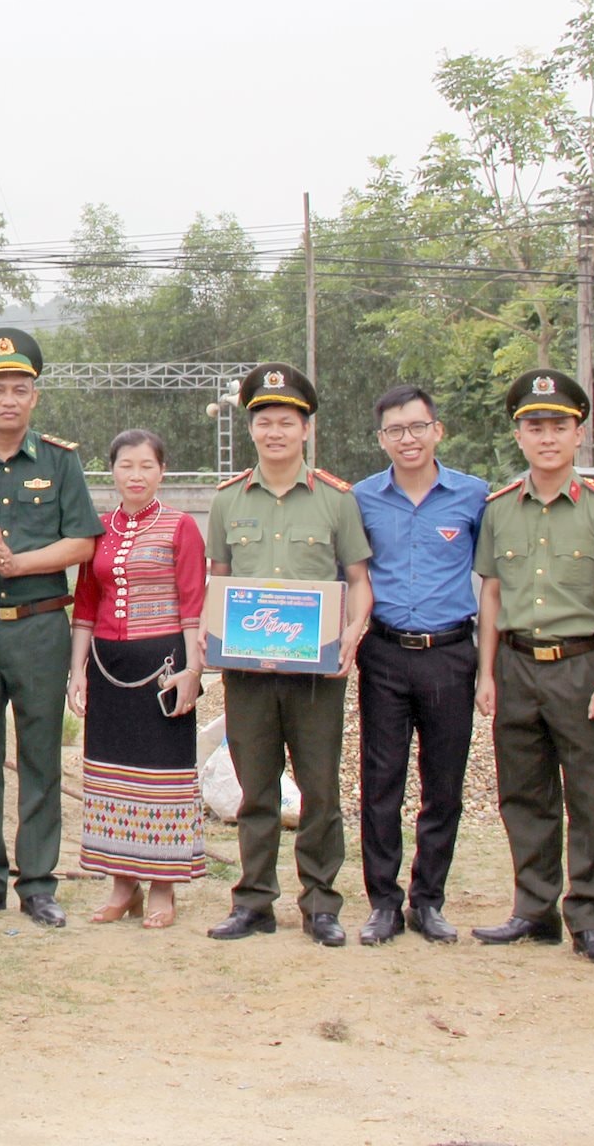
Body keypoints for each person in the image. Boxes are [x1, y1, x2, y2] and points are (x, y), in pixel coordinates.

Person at [204, 364, 373, 946]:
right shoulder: (228, 501)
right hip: (248, 671)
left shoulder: (336, 500)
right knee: (256, 789)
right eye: (264, 421)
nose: (275, 431)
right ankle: (253, 902)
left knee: (320, 789)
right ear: (251, 429)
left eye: (286, 421)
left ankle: (320, 904)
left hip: (316, 675)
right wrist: (211, 639)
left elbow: (358, 579)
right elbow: (218, 579)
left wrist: (353, 632)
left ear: (306, 430)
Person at [0, 329, 98, 928]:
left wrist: (21, 563)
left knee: (40, 755)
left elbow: (83, 540)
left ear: (34, 398)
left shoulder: (60, 461)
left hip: (38, 626)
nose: (8, 399)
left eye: (20, 389)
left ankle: (37, 884)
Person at [472, 367, 594, 966]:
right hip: (516, 663)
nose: (546, 438)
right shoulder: (500, 509)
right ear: (519, 436)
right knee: (525, 792)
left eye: (558, 426)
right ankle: (533, 908)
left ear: (578, 433)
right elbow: (490, 594)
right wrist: (486, 674)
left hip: (581, 664)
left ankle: (589, 917)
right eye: (534, 427)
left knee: (590, 795)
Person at [351, 384, 490, 946]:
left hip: (450, 654)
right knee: (381, 783)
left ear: (438, 430)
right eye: (395, 431)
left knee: (444, 785)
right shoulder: (360, 498)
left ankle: (428, 900)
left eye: (417, 427)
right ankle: (383, 902)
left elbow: (495, 580)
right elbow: (350, 577)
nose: (407, 439)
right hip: (383, 652)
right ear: (381, 439)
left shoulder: (474, 497)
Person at [67, 428, 205, 929]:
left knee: (161, 775)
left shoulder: (181, 526)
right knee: (111, 773)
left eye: (146, 466)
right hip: (107, 666)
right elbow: (85, 604)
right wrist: (76, 672)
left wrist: (192, 670)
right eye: (127, 465)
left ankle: (163, 887)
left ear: (162, 471)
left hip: (163, 665)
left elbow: (193, 602)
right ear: (113, 471)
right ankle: (121, 886)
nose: (136, 475)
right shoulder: (98, 528)